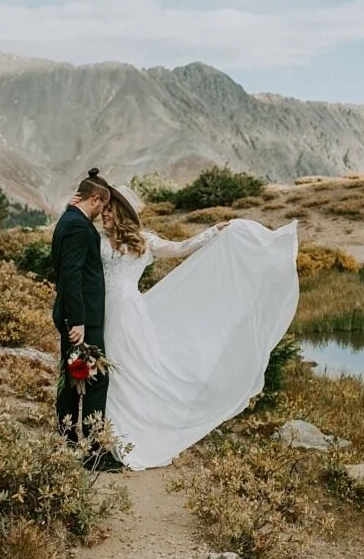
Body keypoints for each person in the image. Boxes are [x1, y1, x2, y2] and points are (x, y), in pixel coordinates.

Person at [68, 180, 299, 470]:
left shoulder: (144, 241)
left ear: (122, 212)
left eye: (110, 210)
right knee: (106, 374)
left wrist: (213, 232)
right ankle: (102, 438)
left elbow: (179, 248)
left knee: (128, 371)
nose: (104, 214)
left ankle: (123, 439)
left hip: (128, 314)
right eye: (103, 209)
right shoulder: (96, 239)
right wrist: (72, 208)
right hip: (101, 312)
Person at [51, 169, 112, 452]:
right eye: (103, 205)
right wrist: (78, 321)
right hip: (81, 318)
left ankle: (68, 440)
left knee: (75, 376)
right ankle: (93, 449)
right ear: (95, 199)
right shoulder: (78, 226)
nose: (103, 212)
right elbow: (71, 274)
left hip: (77, 316)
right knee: (95, 379)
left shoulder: (69, 218)